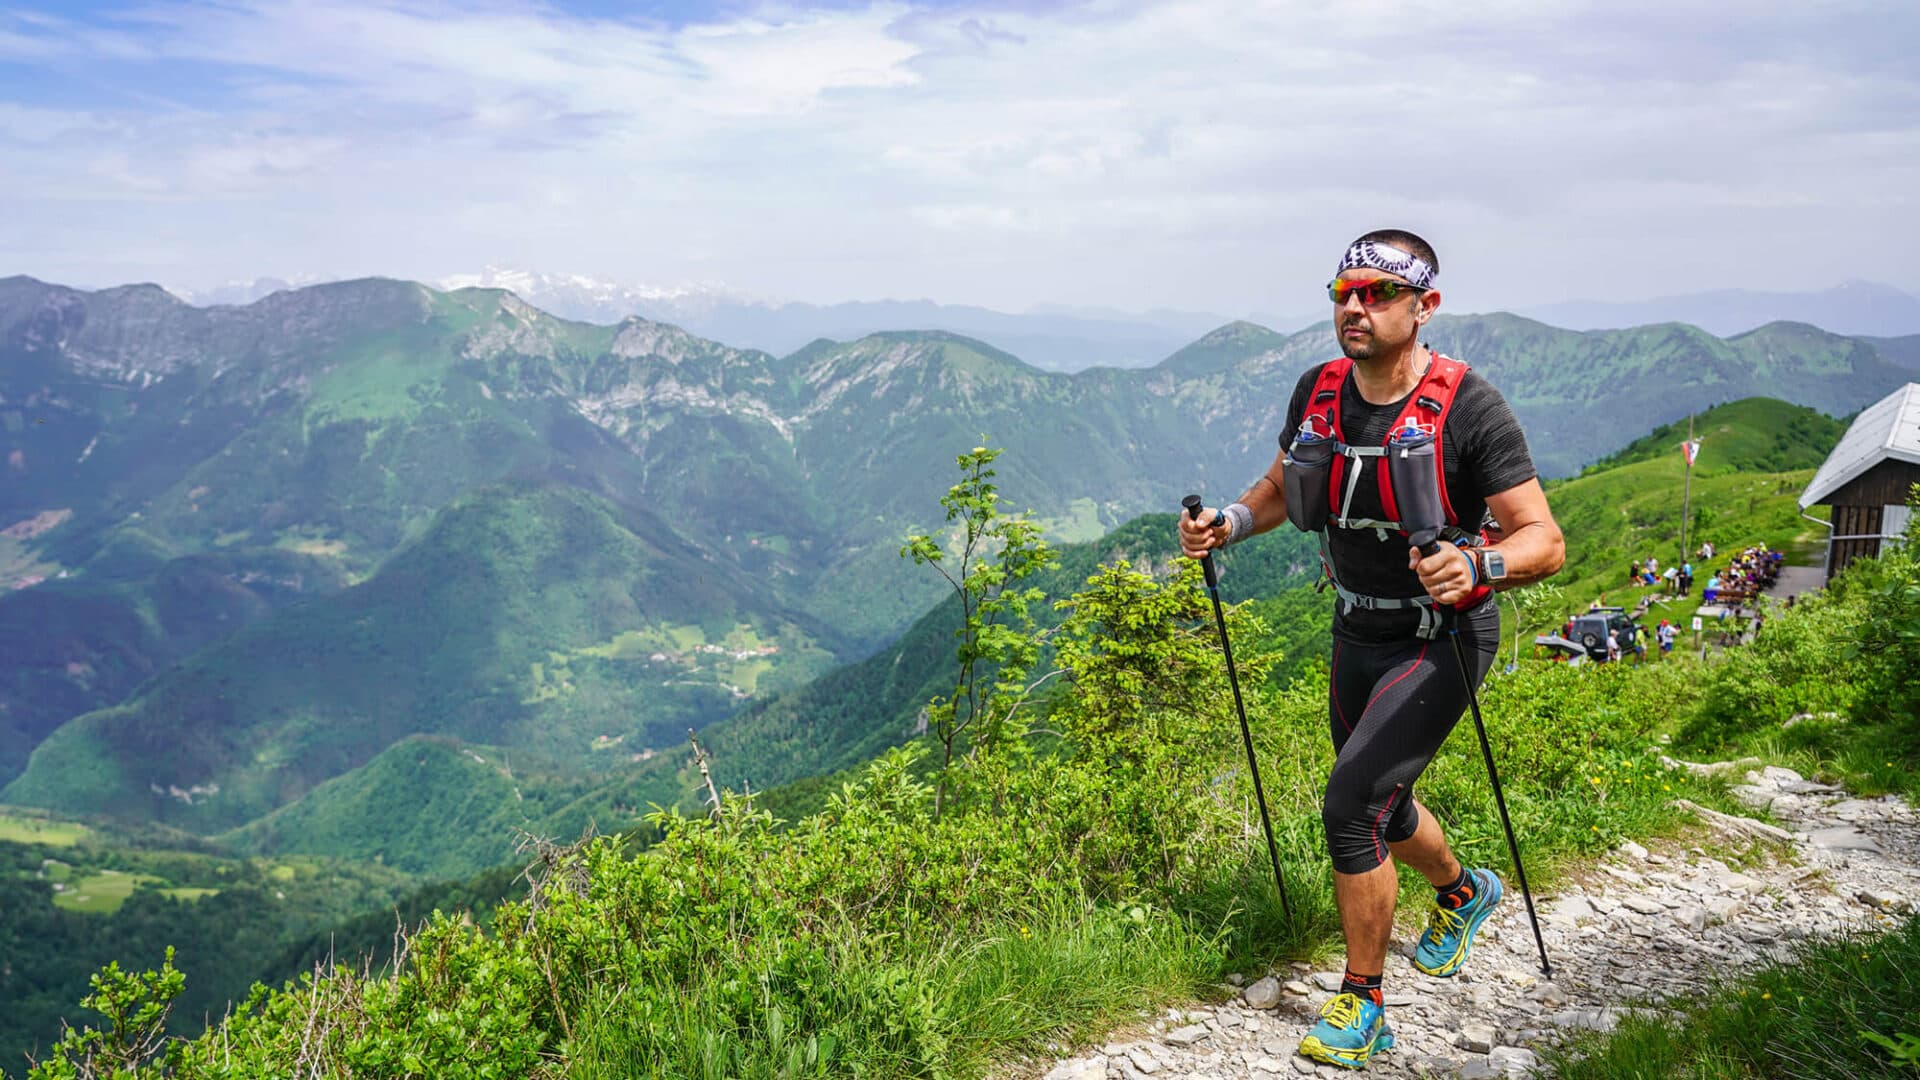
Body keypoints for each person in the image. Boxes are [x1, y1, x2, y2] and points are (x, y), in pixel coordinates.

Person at [1179, 230, 1565, 1070]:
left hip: (1443, 635)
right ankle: (1464, 891)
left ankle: (1364, 1002)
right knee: (1382, 804)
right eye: (1343, 290)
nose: (1354, 307)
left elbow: (1546, 540)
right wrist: (1229, 526)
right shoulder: (1318, 390)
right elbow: (1286, 485)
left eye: (1378, 293)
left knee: (1349, 802)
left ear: (1424, 306)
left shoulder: (1469, 406)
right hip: (1355, 627)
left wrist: (1478, 563)